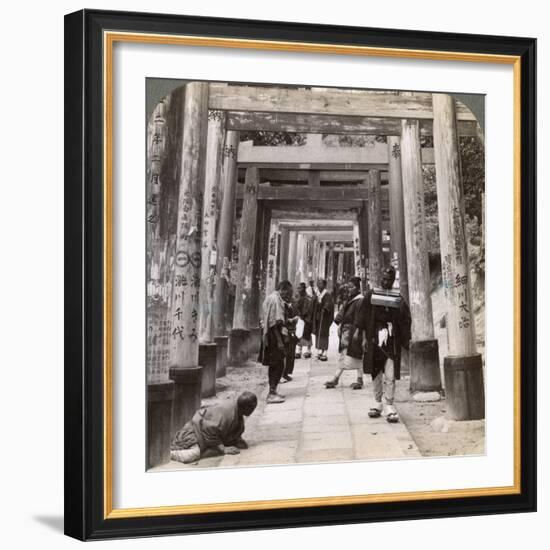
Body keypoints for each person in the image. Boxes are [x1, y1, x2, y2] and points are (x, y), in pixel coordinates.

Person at [363, 266, 411, 423]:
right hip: (374, 339)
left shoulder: (398, 299)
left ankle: (389, 404)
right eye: (383, 279)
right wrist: (363, 336)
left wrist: (405, 339)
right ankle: (378, 403)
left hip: (391, 341)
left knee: (390, 374)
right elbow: (363, 317)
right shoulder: (371, 295)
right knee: (375, 373)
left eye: (388, 280)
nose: (385, 281)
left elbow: (405, 320)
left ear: (392, 281)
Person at [170, 391, 258, 464]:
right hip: (195, 432)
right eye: (252, 408)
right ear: (246, 408)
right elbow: (209, 430)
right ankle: (169, 454)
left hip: (206, 434)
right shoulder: (227, 413)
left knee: (215, 451)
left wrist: (237, 440)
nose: (253, 410)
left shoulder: (237, 411)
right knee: (193, 454)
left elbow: (232, 430)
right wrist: (223, 449)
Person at [324, 276, 365, 389]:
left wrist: (358, 331)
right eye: (349, 287)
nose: (349, 289)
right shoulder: (351, 299)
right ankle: (359, 379)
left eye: (352, 287)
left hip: (353, 331)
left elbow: (359, 317)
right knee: (353, 355)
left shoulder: (360, 300)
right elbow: (343, 314)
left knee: (349, 355)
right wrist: (340, 324)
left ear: (357, 288)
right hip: (347, 331)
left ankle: (336, 378)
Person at [261, 279, 294, 403]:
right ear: (283, 290)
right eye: (288, 293)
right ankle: (272, 392)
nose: (289, 296)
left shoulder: (272, 297)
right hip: (274, 336)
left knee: (276, 364)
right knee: (277, 364)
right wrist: (280, 341)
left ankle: (273, 390)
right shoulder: (276, 300)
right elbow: (274, 323)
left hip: (270, 334)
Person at [312, 278, 334, 361]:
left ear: (324, 285)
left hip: (324, 317)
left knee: (324, 333)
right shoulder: (317, 294)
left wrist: (325, 308)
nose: (319, 285)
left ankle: (325, 351)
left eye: (321, 283)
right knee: (318, 333)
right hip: (318, 317)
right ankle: (319, 349)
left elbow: (329, 304)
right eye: (318, 283)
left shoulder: (327, 294)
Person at [281, 297, 299, 382]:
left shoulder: (293, 304)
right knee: (286, 353)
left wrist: (295, 318)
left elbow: (298, 314)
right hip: (286, 331)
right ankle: (283, 373)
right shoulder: (281, 305)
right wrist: (289, 320)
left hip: (292, 330)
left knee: (291, 353)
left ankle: (287, 372)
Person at [294, 282, 314, 359]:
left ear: (304, 288)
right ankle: (299, 350)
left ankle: (308, 350)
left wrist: (303, 315)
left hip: (307, 318)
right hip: (300, 318)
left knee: (307, 333)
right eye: (298, 288)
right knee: (299, 333)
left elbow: (308, 309)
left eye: (300, 288)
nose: (299, 290)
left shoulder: (307, 298)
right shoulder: (298, 297)